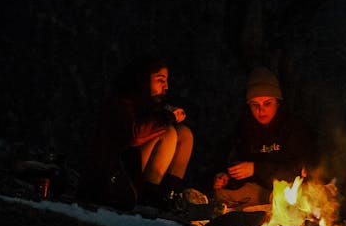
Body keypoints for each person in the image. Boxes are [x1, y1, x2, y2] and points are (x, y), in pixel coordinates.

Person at [78, 55, 195, 210]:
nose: (166, 86)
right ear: (143, 80)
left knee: (184, 134)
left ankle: (168, 194)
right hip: (113, 176)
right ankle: (148, 195)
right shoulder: (122, 102)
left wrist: (166, 113)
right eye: (160, 80)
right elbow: (134, 136)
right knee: (168, 132)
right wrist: (166, 117)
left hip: (132, 168)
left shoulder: (147, 103)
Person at [212, 66, 315, 209]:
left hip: (290, 191)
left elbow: (297, 171)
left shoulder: (292, 127)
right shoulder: (246, 128)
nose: (261, 110)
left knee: (285, 200)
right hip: (262, 192)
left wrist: (256, 169)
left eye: (267, 103)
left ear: (277, 102)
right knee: (221, 194)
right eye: (255, 105)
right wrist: (227, 179)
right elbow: (239, 163)